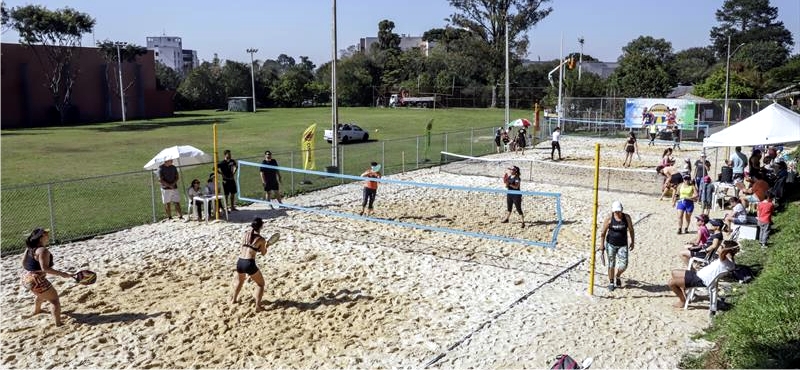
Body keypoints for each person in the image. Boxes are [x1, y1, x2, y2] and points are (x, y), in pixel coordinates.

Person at [20, 228, 75, 326]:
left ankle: (37, 310)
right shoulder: (43, 251)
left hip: (25, 278)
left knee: (41, 293)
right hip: (36, 280)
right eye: (46, 234)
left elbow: (23, 264)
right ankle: (58, 323)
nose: (48, 235)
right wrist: (62, 274)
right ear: (41, 238)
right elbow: (45, 268)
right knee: (54, 300)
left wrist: (34, 271)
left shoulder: (29, 248)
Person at [668, 241, 739, 308]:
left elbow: (722, 253)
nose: (719, 247)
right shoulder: (729, 261)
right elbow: (723, 252)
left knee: (671, 283)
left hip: (700, 280)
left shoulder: (725, 261)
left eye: (721, 246)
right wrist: (729, 249)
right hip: (698, 275)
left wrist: (728, 249)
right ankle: (683, 291)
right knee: (674, 272)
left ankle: (682, 300)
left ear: (726, 250)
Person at [230, 218, 273, 312]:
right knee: (260, 284)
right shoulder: (261, 239)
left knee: (239, 281)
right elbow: (263, 253)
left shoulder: (246, 234)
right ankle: (258, 306)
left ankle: (234, 300)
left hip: (240, 261)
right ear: (261, 227)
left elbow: (249, 246)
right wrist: (266, 246)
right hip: (249, 263)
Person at [598, 201, 635, 291]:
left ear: (622, 210)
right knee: (611, 263)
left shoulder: (626, 217)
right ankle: (611, 282)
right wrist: (601, 245)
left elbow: (631, 230)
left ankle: (617, 276)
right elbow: (603, 232)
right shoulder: (609, 218)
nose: (618, 213)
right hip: (611, 244)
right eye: (616, 212)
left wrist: (632, 241)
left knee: (624, 265)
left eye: (619, 211)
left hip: (623, 245)